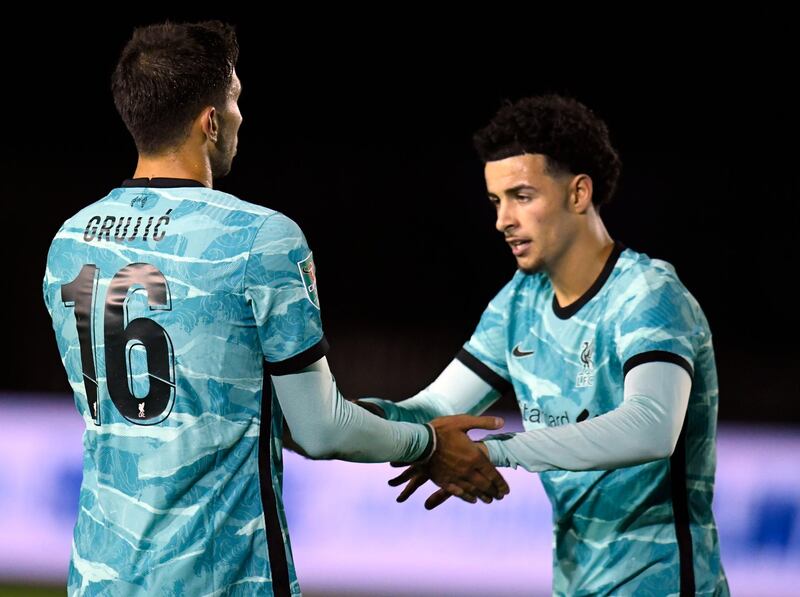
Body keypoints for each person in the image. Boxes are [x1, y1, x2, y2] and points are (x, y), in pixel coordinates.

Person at [42, 20, 507, 596]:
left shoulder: (70, 241)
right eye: (235, 99)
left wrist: (409, 421)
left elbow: (236, 413)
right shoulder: (258, 238)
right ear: (210, 121)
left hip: (97, 577)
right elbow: (320, 429)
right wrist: (431, 444)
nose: (241, 115)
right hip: (222, 579)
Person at [362, 95, 729, 596]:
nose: (503, 220)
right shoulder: (519, 303)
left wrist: (497, 453)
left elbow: (651, 426)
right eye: (496, 202)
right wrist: (345, 418)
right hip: (573, 585)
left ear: (579, 193)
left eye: (522, 196)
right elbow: (436, 407)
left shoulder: (648, 293)